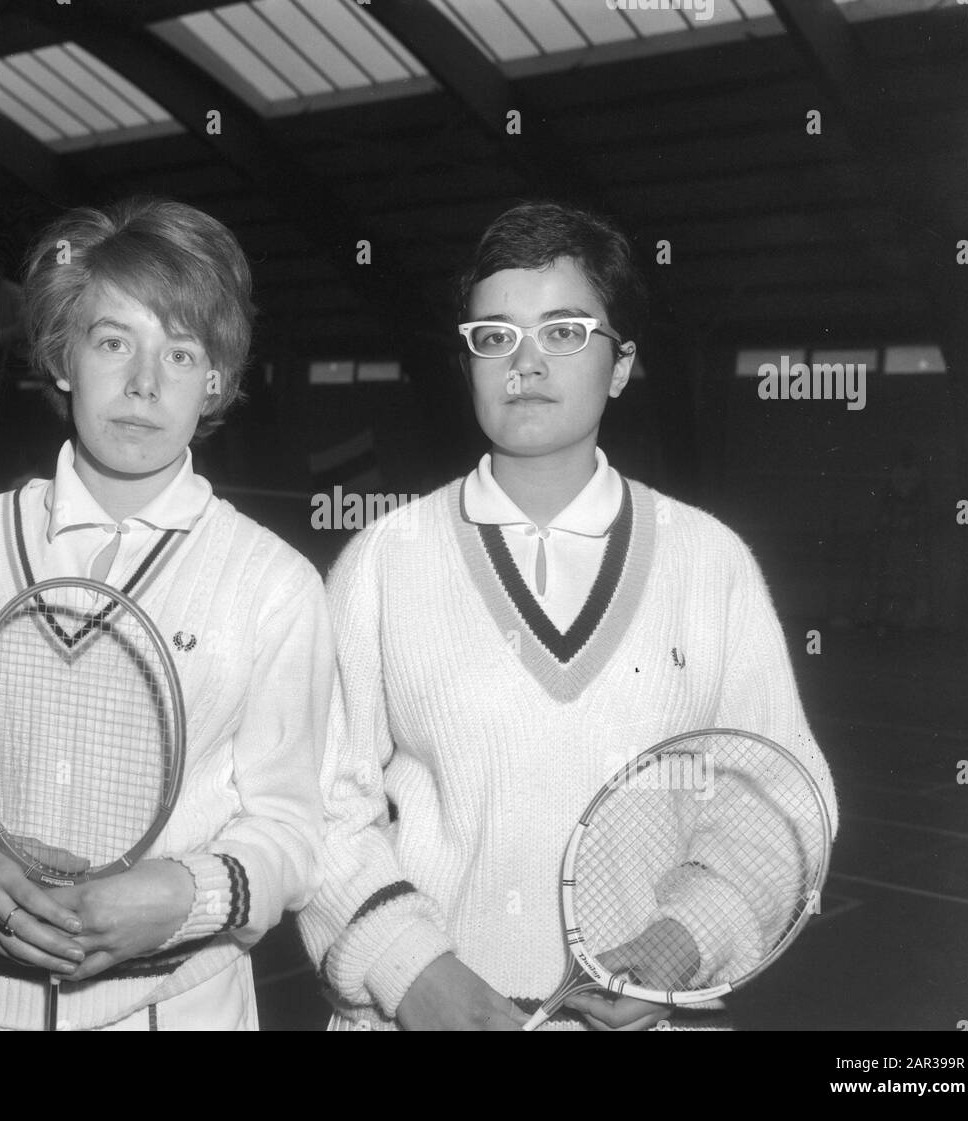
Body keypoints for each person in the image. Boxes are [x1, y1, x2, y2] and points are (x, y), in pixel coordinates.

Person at [297, 201, 839, 1031]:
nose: (525, 362)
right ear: (469, 362)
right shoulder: (382, 560)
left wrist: (682, 941)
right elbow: (319, 801)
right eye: (495, 336)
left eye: (564, 331)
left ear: (620, 366)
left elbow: (778, 800)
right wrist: (411, 972)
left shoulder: (709, 561)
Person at [0, 197, 333, 1030]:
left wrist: (183, 895)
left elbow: (292, 827)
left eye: (180, 353)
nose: (144, 383)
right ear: (63, 357)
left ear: (215, 379)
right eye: (113, 342)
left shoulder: (273, 582)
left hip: (181, 1008)